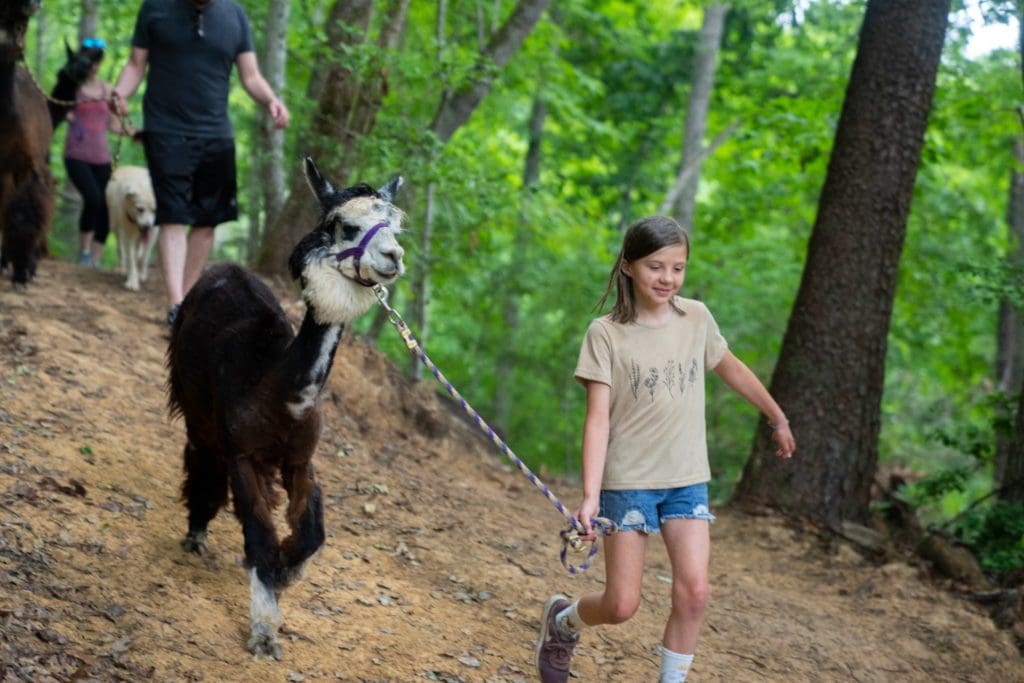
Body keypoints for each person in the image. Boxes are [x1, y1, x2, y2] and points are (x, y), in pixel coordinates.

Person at [535, 216, 796, 683]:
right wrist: (591, 497)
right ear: (628, 266)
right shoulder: (605, 333)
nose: (668, 278)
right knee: (621, 605)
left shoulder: (696, 318)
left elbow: (732, 368)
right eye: (656, 267)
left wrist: (777, 416)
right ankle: (563, 621)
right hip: (628, 482)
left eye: (678, 268)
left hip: (686, 479)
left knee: (694, 594)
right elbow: (597, 419)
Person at [109, 0, 289, 326]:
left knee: (207, 221)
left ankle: (188, 302)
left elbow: (250, 76)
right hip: (165, 129)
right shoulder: (156, 8)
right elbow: (136, 65)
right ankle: (175, 303)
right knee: (173, 215)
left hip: (216, 133)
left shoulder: (235, 15)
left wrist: (271, 100)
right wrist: (119, 94)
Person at [64, 38, 120, 267]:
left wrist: (138, 133)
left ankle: (95, 258)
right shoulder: (73, 88)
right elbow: (59, 110)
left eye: (97, 61)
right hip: (76, 154)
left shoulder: (108, 90)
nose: (93, 66)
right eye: (89, 60)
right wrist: (68, 116)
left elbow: (114, 125)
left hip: (101, 157)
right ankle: (84, 252)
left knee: (106, 205)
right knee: (93, 198)